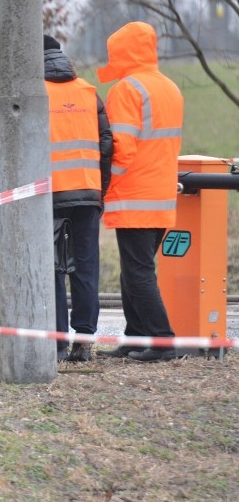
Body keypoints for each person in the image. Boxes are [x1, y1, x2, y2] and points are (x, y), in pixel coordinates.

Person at [94, 22, 183, 362]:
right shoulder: (169, 87)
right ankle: (134, 337)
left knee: (138, 271)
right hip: (160, 194)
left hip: (134, 194)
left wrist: (105, 187)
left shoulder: (127, 89)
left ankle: (162, 341)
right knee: (135, 269)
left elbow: (121, 149)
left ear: (122, 52)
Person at [43, 34, 113, 363]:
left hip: (49, 196)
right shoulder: (88, 92)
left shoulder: (35, 94)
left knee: (52, 269)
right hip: (87, 194)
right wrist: (101, 190)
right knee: (85, 268)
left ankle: (56, 344)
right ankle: (84, 342)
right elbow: (106, 145)